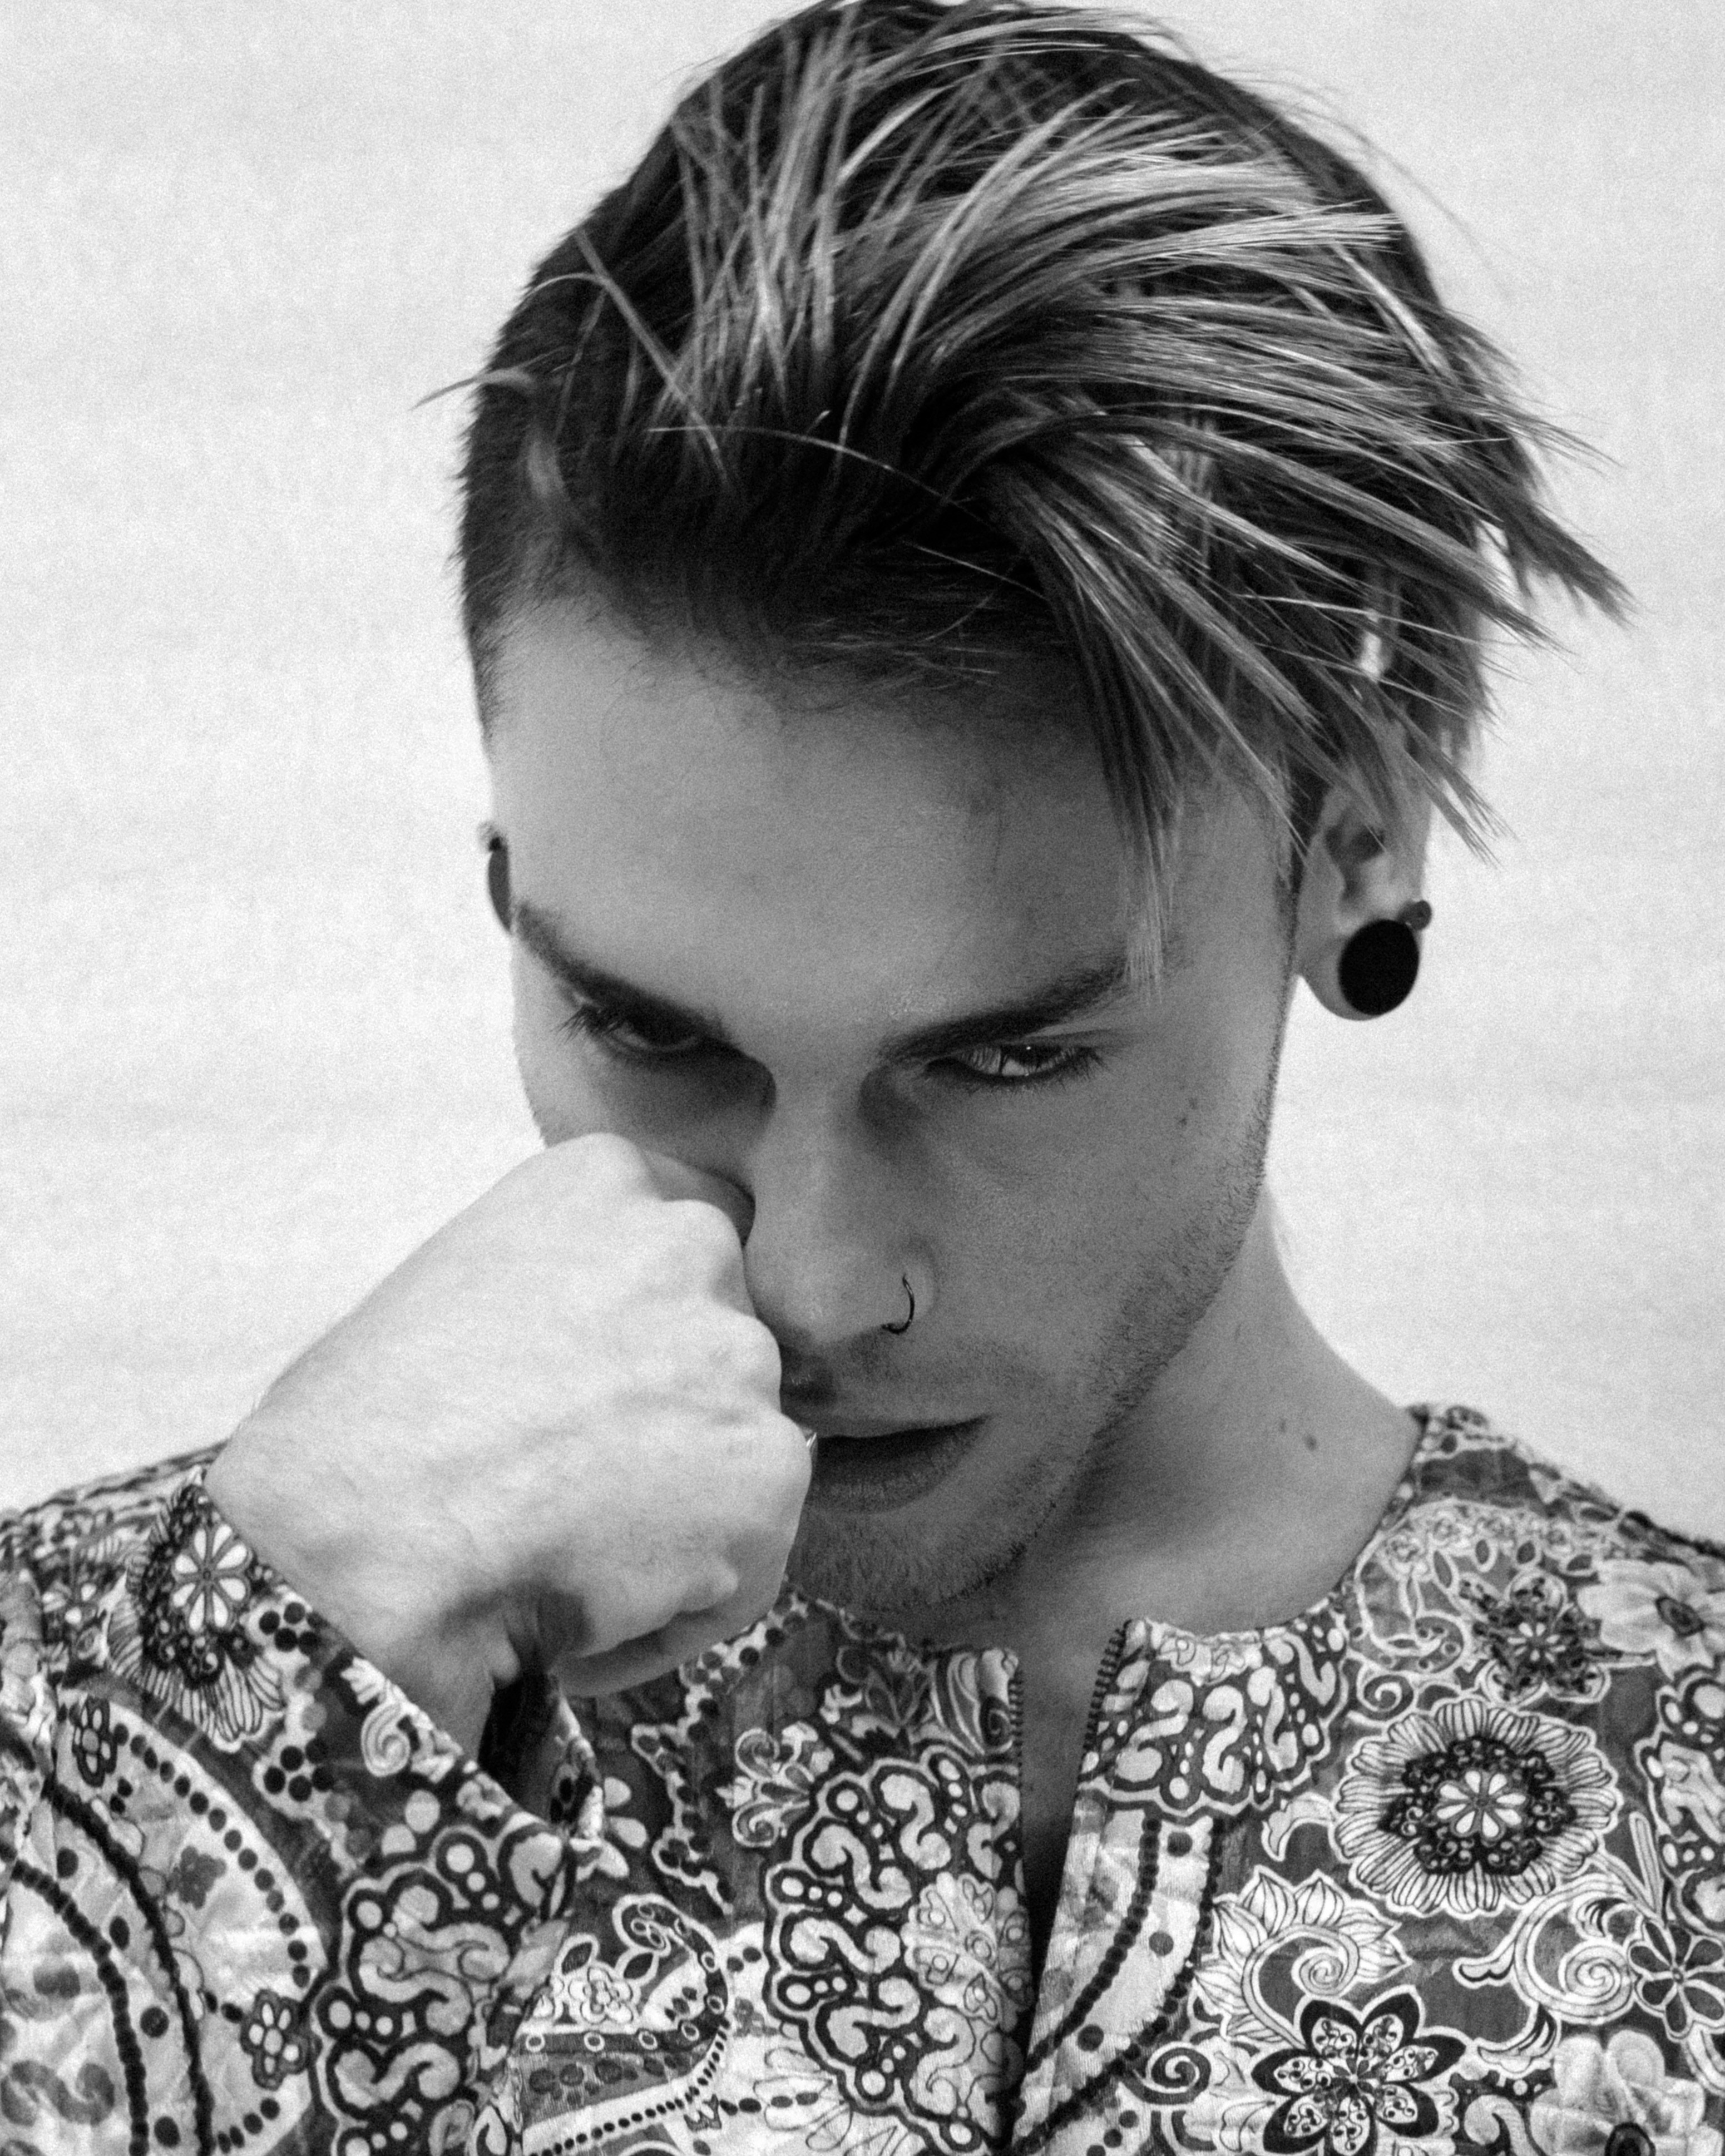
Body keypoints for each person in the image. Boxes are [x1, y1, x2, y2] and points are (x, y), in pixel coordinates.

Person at [3, 2, 1721, 2149]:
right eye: (650, 1030)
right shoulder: (76, 1716)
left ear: (1353, 839)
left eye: (1008, 1054)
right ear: (512, 881)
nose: (812, 1284)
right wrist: (264, 1664)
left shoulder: (1690, 1812)